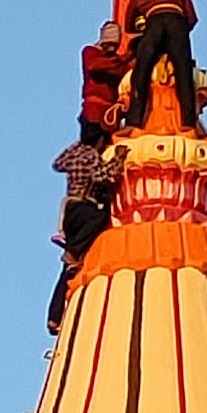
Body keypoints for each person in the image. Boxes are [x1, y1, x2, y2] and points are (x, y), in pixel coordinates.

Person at [47, 137, 127, 333]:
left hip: (70, 210)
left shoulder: (77, 151)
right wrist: (118, 159)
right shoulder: (91, 155)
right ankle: (73, 251)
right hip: (85, 207)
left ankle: (54, 317)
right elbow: (102, 175)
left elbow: (58, 164)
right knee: (101, 216)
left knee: (67, 271)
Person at [124, 0, 198, 129]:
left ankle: (134, 120)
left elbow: (128, 25)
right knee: (183, 72)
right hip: (178, 24)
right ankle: (188, 121)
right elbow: (192, 18)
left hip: (154, 24)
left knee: (141, 72)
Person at [80, 21, 129, 145]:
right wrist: (123, 59)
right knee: (91, 148)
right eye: (110, 44)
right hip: (93, 113)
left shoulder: (118, 63)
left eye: (115, 45)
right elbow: (94, 67)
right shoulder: (91, 52)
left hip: (111, 117)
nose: (113, 49)